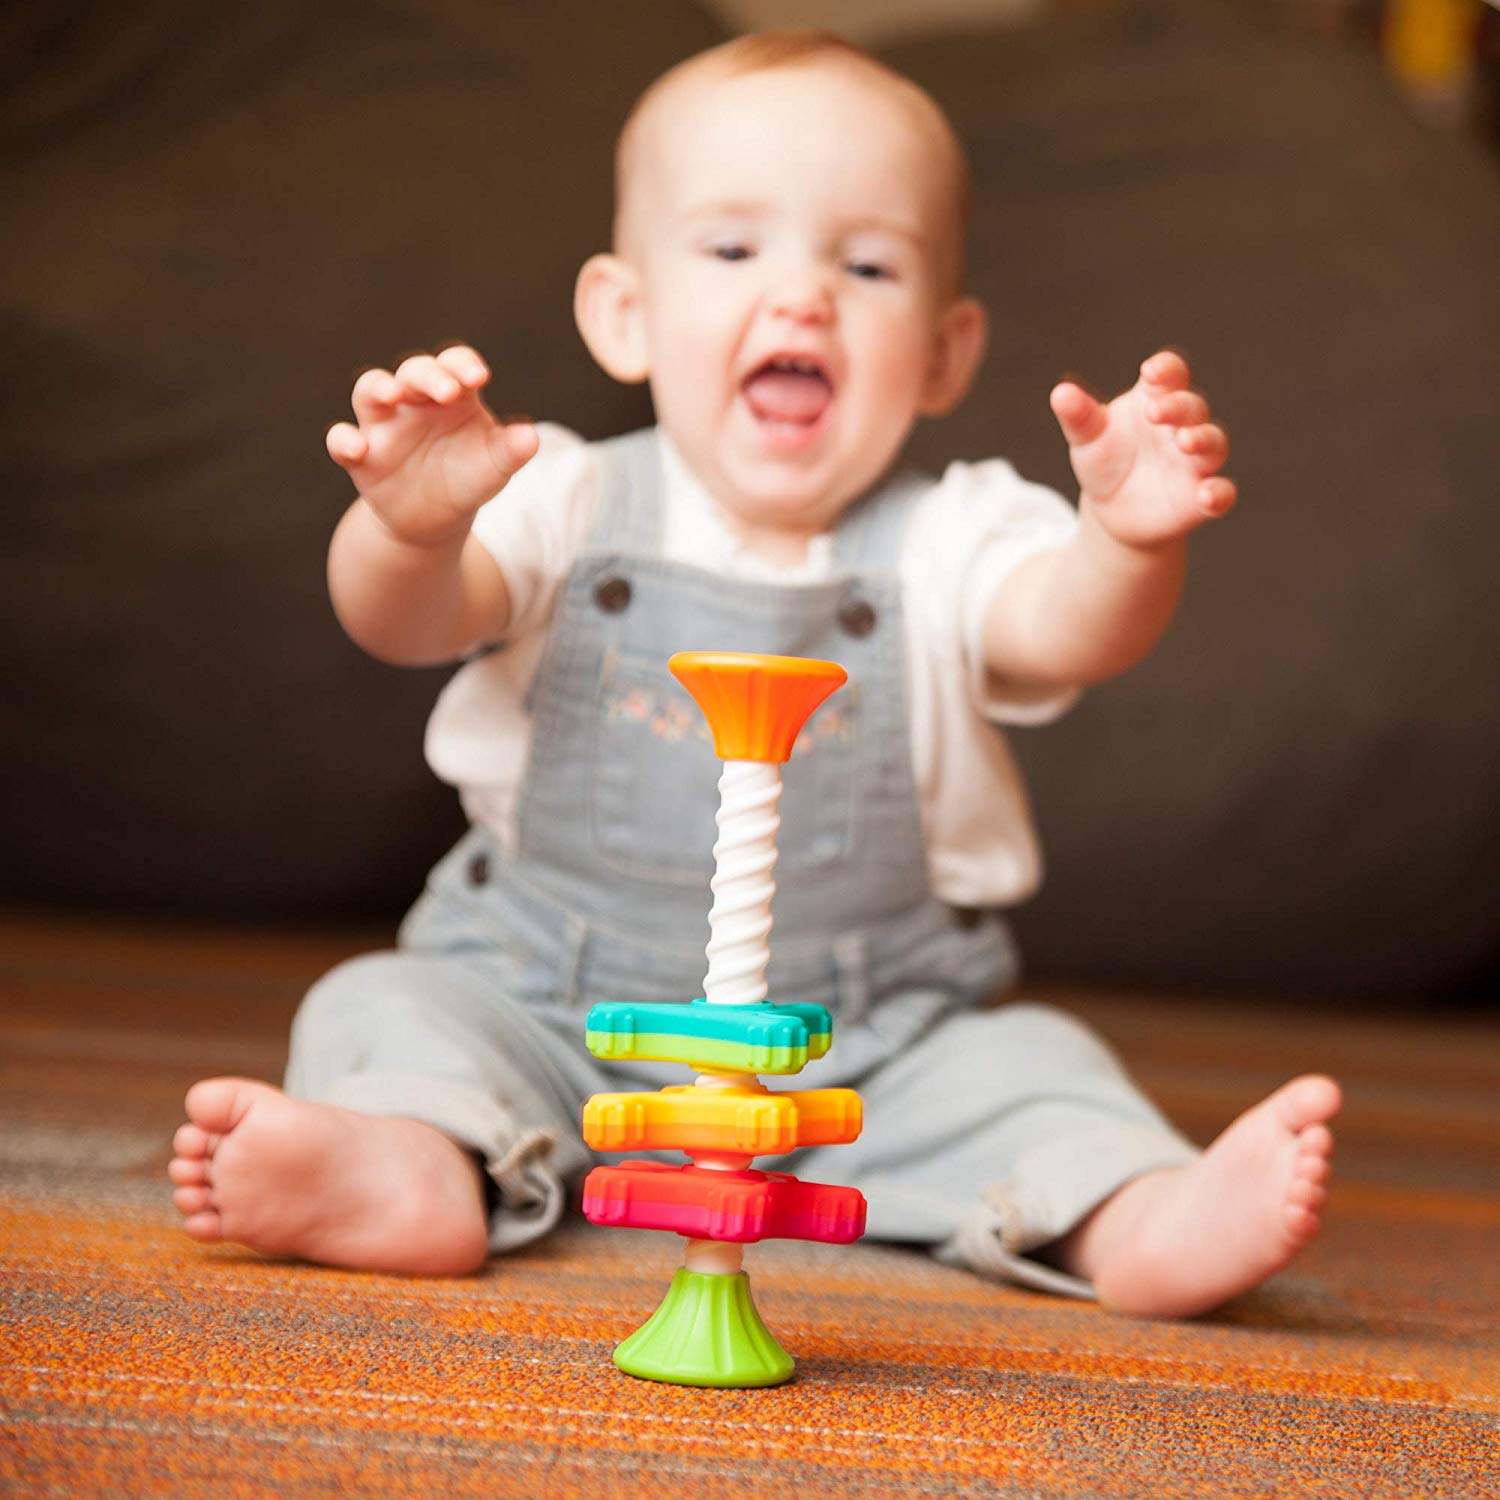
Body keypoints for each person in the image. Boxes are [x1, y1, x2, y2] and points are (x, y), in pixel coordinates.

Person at [168, 32, 1339, 1316]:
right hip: (544, 1007)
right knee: (383, 1003)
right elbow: (406, 623)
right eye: (733, 250)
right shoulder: (564, 495)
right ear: (625, 315)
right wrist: (409, 529)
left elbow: (1064, 628)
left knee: (1032, 1067)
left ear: (945, 354)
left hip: (865, 1046)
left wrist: (1124, 542)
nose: (802, 299)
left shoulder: (953, 534)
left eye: (867, 265)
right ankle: (412, 1162)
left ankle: (1133, 1212)